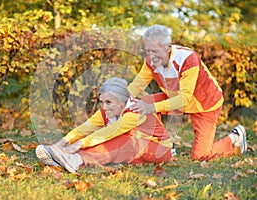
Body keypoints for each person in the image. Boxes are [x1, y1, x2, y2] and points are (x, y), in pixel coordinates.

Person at [127, 24, 247, 161]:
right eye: (148, 51)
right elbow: (138, 84)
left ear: (167, 47)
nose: (151, 56)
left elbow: (185, 99)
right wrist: (119, 99)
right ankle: (165, 144)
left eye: (154, 51)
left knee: (200, 156)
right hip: (176, 98)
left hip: (205, 104)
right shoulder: (150, 61)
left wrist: (152, 108)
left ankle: (234, 138)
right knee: (146, 101)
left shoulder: (188, 59)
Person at [36, 77, 172, 173]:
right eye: (102, 102)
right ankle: (61, 157)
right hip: (135, 153)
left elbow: (110, 132)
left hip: (159, 150)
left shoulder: (136, 111)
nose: (104, 107)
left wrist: (79, 144)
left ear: (121, 102)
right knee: (95, 137)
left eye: (108, 102)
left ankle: (76, 159)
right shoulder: (106, 111)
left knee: (123, 141)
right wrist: (63, 142)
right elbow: (85, 128)